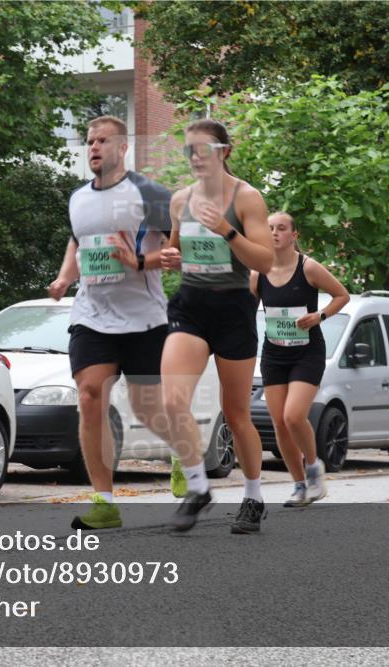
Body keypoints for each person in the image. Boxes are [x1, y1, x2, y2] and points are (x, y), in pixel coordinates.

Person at [48, 115, 177, 529]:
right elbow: (77, 241)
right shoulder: (77, 198)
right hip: (92, 314)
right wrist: (65, 278)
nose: (94, 147)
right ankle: (104, 502)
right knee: (90, 396)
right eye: (90, 141)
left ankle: (182, 451)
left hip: (143, 317)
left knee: (148, 406)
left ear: (123, 147)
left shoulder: (149, 193)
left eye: (103, 140)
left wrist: (141, 260)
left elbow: (179, 251)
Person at [159, 119, 274, 533]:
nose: (194, 157)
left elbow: (265, 262)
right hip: (191, 306)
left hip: (233, 310)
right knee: (173, 401)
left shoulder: (247, 198)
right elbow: (174, 250)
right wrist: (169, 257)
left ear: (223, 152)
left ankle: (253, 497)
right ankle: (197, 486)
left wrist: (226, 230)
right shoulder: (180, 200)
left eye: (202, 149)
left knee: (237, 414)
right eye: (189, 150)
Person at [250, 212, 349, 508]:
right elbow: (245, 310)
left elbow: (341, 295)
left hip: (307, 352)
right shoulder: (258, 273)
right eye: (270, 228)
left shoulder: (308, 267)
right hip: (274, 353)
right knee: (280, 424)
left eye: (281, 228)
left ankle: (314, 468)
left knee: (293, 416)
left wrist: (319, 316)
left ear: (293, 235)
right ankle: (298, 486)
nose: (274, 233)